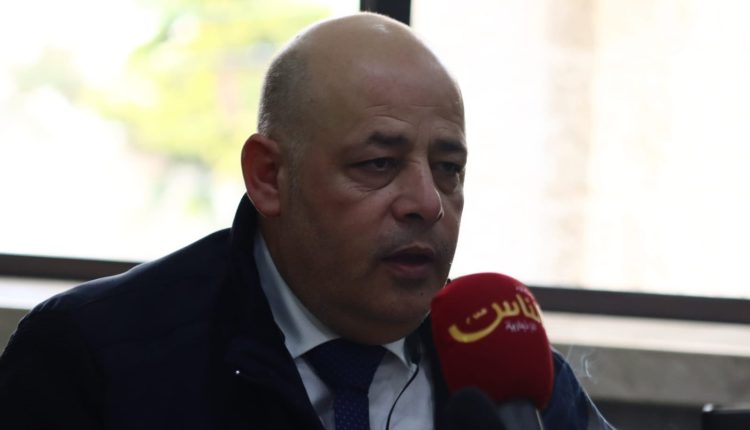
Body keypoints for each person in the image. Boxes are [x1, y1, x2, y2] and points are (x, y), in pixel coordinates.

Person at [0, 12, 612, 430]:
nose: (427, 202)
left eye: (448, 168)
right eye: (378, 164)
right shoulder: (95, 356)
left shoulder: (507, 373)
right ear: (269, 176)